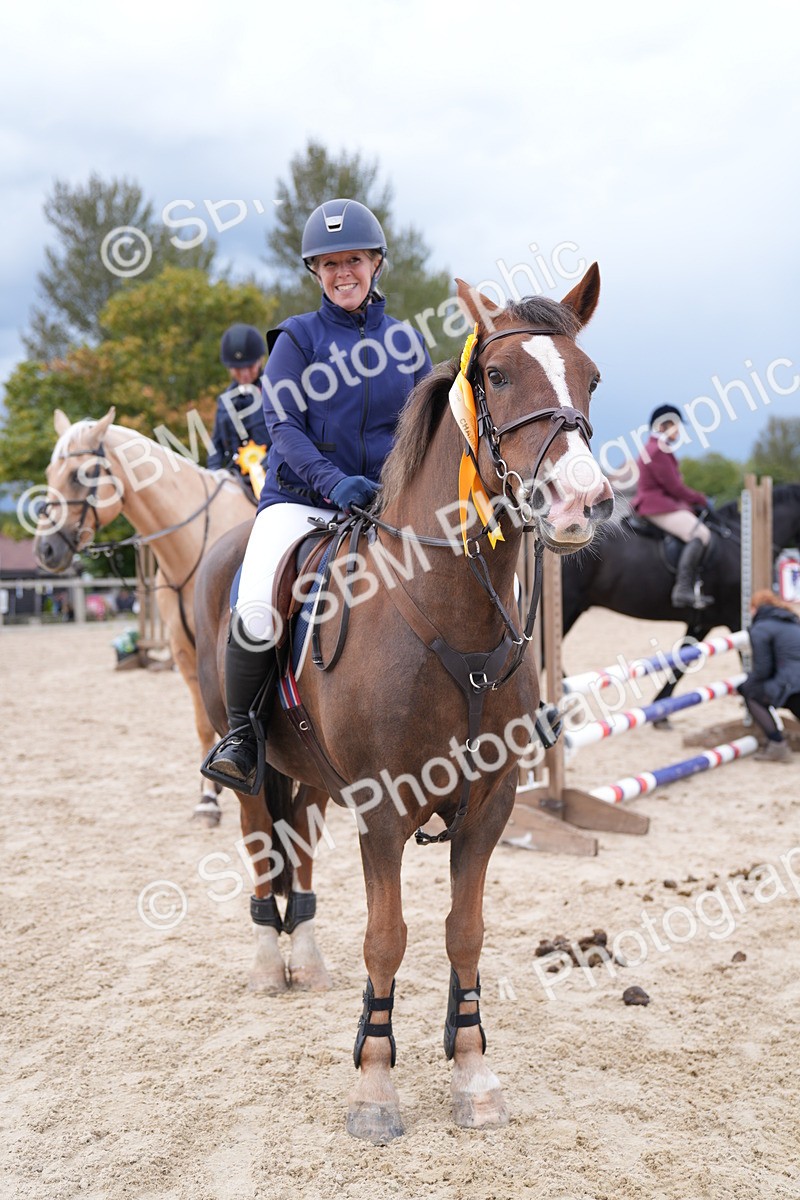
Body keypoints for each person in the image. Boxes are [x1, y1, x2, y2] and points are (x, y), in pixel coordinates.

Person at [202, 198, 432, 792]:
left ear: (375, 263)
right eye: (328, 265)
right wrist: (335, 483)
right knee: (254, 604)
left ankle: (512, 703)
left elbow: (430, 431)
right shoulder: (295, 342)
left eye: (352, 260)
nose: (342, 274)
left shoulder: (407, 344)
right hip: (302, 499)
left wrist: (399, 489)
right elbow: (283, 429)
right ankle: (243, 735)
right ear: (315, 273)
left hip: (388, 501)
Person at [633, 405, 714, 609]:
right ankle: (683, 589)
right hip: (655, 504)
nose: (678, 431)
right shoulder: (658, 449)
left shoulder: (657, 447)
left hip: (661, 502)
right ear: (663, 426)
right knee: (701, 534)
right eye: (676, 426)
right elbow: (675, 487)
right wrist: (700, 499)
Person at [207, 324, 271, 497]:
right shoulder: (224, 401)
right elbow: (216, 446)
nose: (244, 375)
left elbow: (290, 434)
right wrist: (213, 476)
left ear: (260, 361)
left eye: (249, 367)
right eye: (237, 369)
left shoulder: (277, 391)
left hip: (274, 479)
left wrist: (269, 463)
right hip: (236, 485)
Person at [738, 589, 800, 762]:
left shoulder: (761, 629)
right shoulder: (792, 621)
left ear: (755, 608)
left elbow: (762, 669)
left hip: (792, 687)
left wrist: (742, 687)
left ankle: (777, 744)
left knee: (752, 694)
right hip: (793, 681)